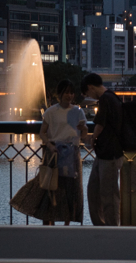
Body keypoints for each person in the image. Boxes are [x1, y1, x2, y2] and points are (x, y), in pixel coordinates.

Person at [10, 79, 87, 225]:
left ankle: (67, 222)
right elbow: (43, 132)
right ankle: (48, 219)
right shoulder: (51, 112)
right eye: (66, 92)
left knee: (70, 188)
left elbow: (83, 135)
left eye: (71, 92)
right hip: (55, 153)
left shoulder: (78, 111)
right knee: (50, 187)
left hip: (72, 154)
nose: (69, 96)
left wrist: (83, 130)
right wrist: (49, 145)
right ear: (59, 94)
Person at [81, 72, 124, 226]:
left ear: (90, 87)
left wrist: (93, 138)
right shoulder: (112, 96)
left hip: (110, 154)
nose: (90, 97)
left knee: (108, 195)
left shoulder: (106, 99)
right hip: (105, 153)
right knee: (95, 190)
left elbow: (100, 124)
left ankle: (111, 230)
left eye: (88, 93)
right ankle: (102, 226)